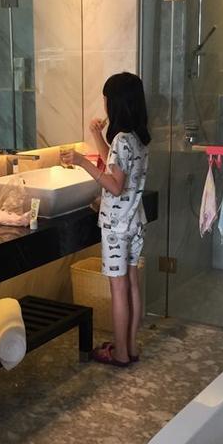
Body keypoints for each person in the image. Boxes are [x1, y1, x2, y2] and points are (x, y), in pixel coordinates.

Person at [62, 72, 150, 366]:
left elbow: (114, 185)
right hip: (134, 220)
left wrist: (81, 162)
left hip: (116, 225)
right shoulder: (137, 137)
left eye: (106, 99)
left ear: (115, 103)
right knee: (132, 284)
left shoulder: (122, 139)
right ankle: (130, 346)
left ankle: (120, 353)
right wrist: (97, 136)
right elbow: (117, 169)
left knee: (118, 289)